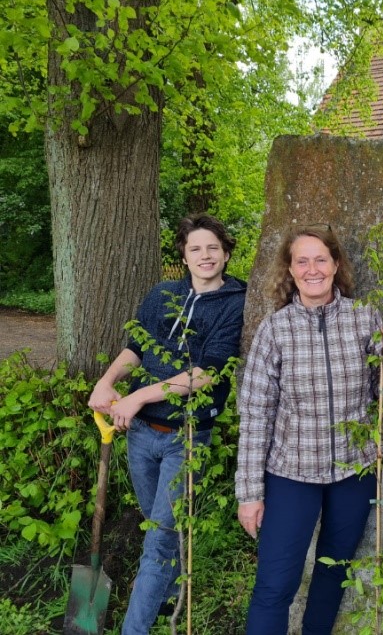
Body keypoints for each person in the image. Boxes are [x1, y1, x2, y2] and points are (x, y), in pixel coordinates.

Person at [235, 224, 383, 635]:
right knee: (275, 584)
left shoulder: (364, 317)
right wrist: (249, 493)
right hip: (292, 475)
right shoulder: (275, 330)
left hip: (354, 472)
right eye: (302, 261)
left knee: (333, 572)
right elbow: (255, 413)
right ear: (290, 270)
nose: (312, 268)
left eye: (320, 259)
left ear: (335, 265)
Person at [88, 214, 246, 634]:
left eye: (213, 247)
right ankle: (170, 593)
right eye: (195, 248)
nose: (205, 255)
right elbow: (135, 347)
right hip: (140, 434)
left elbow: (206, 373)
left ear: (226, 253)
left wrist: (137, 396)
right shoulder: (162, 295)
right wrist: (106, 382)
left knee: (158, 538)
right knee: (156, 523)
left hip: (188, 437)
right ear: (184, 256)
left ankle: (133, 628)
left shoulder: (236, 302)